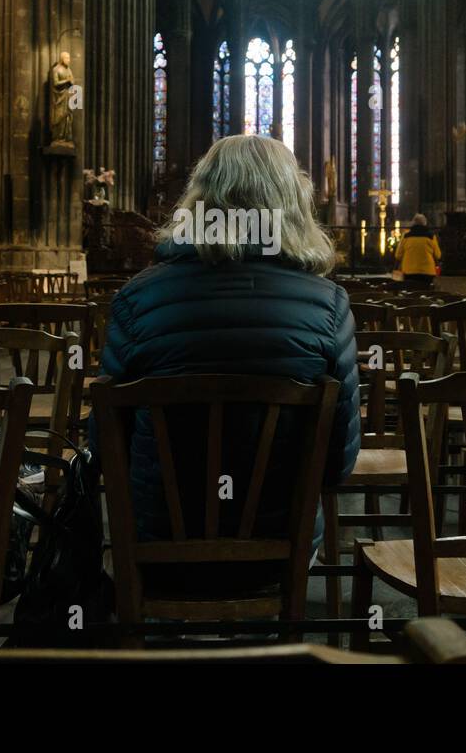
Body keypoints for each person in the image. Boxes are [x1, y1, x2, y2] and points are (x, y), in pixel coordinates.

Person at [92, 134, 360, 591]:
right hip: (280, 549)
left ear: (198, 199)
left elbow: (104, 448)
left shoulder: (137, 298)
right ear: (291, 203)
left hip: (155, 546)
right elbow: (338, 463)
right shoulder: (328, 305)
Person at [395, 213, 441, 286]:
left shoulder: (406, 236)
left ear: (413, 223)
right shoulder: (431, 237)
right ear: (425, 223)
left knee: (410, 292)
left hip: (409, 272)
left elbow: (398, 255)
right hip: (427, 272)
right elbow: (438, 255)